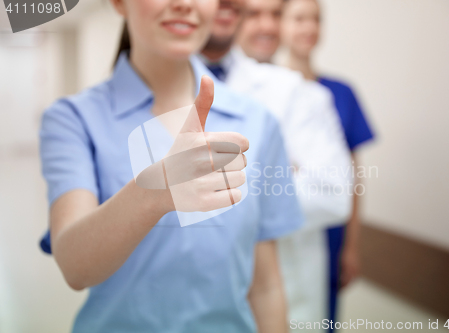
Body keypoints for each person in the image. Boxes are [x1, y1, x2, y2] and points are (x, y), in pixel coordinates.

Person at [38, 0, 305, 332]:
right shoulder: (73, 120)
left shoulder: (257, 122)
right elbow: (75, 268)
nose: (184, 4)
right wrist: (153, 194)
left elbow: (265, 287)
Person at [199, 0, 353, 330]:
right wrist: (276, 172)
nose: (267, 26)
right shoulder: (178, 82)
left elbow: (334, 196)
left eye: (275, 14)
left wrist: (215, 185)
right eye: (253, 13)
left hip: (290, 292)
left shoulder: (302, 93)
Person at [281, 0, 376, 328]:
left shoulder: (340, 93)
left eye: (316, 19)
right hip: (281, 232)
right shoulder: (267, 90)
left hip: (330, 230)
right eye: (299, 19)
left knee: (320, 318)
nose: (309, 28)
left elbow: (352, 176)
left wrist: (351, 246)